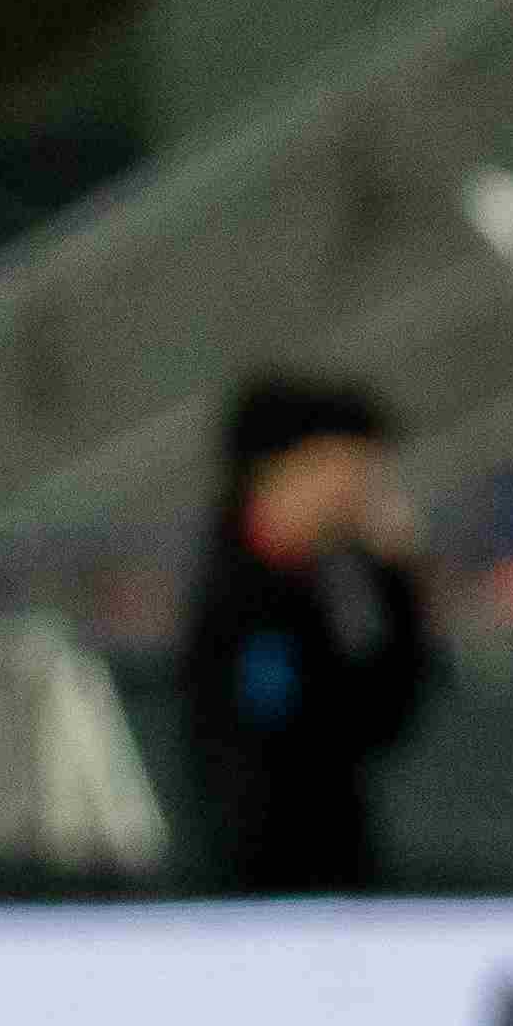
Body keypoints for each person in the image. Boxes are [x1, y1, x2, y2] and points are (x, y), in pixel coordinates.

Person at [177, 372, 437, 894]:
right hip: (248, 878)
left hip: (336, 868)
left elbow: (386, 710)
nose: (359, 492)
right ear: (289, 469)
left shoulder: (345, 580)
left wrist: (401, 584)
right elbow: (255, 738)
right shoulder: (233, 588)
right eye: (345, 470)